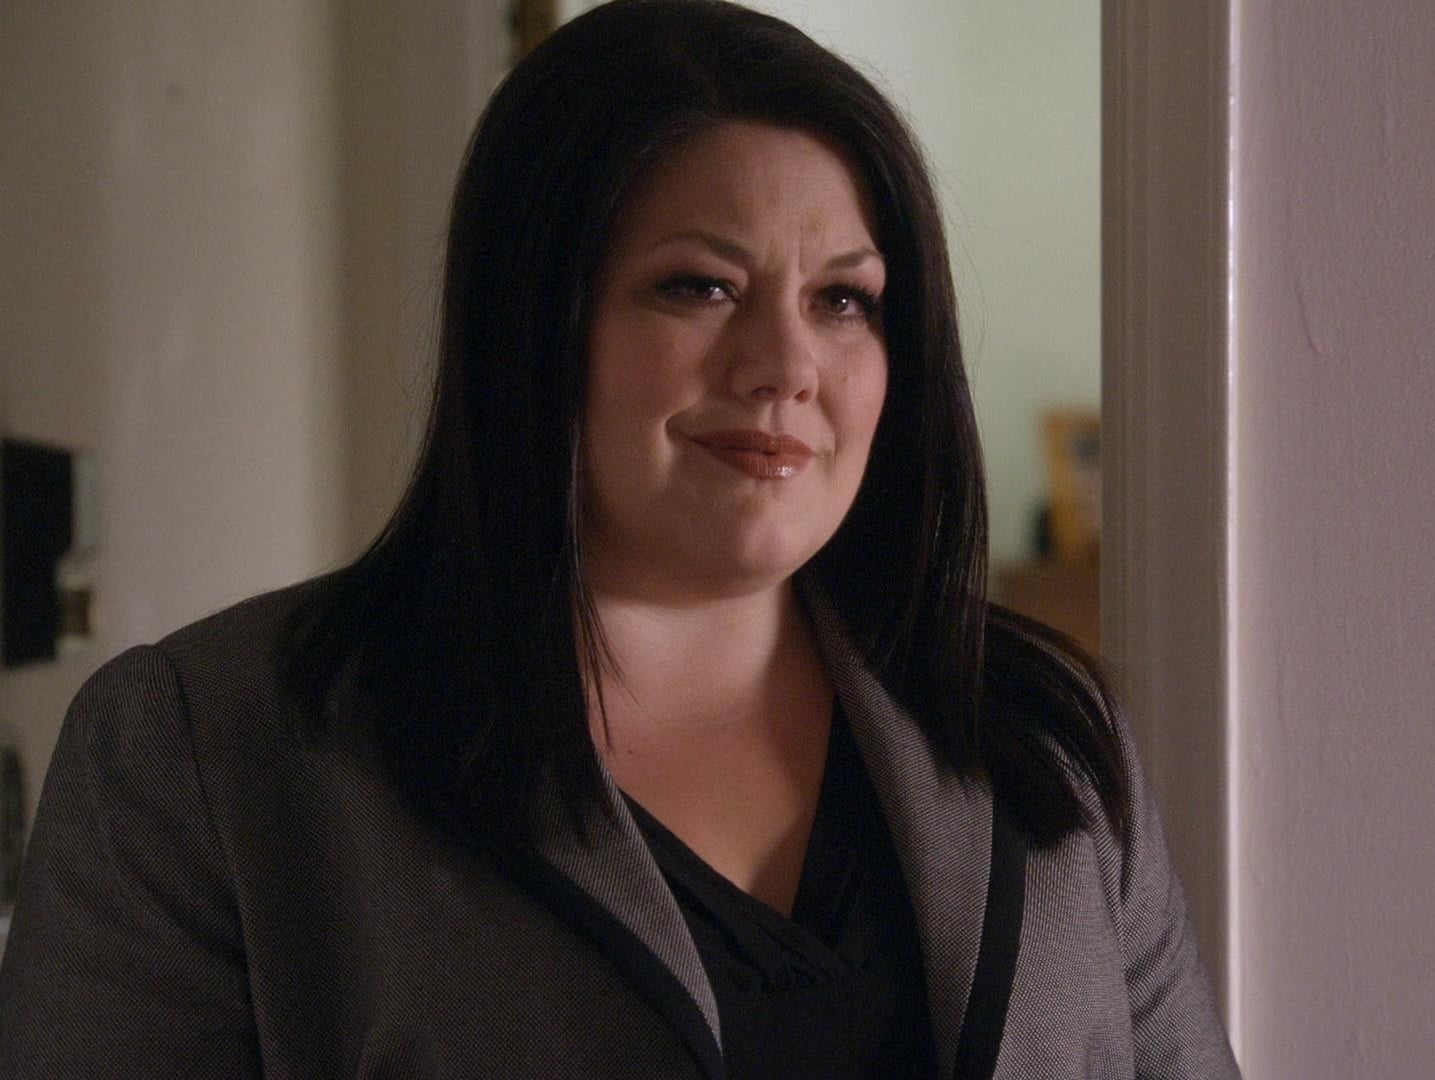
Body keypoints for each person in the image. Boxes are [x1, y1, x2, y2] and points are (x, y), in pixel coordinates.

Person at [0, 1, 1237, 1076]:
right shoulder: (207, 757)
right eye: (700, 286)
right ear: (535, 321)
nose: (786, 365)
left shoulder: (1042, 738)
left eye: (843, 300)